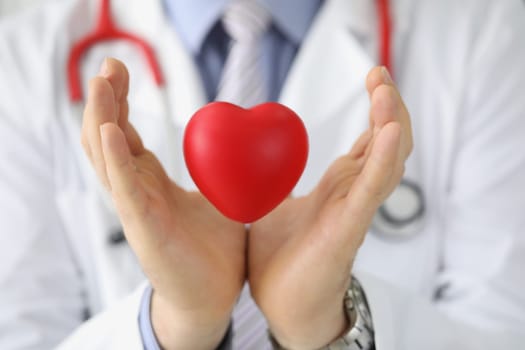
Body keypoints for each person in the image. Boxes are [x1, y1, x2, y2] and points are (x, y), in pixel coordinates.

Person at [0, 0, 524, 349]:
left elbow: (502, 333)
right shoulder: (19, 63)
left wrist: (328, 328)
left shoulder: (488, 38)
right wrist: (174, 325)